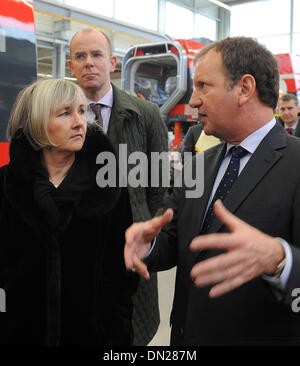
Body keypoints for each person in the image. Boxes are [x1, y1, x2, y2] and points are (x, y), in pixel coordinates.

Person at [124, 37, 300, 346]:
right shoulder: (199, 164)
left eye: (203, 85)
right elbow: (177, 237)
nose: (192, 101)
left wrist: (279, 259)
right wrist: (149, 245)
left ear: (245, 88)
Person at [0, 79, 137, 346]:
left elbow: (121, 274)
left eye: (82, 111)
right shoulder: (6, 185)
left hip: (93, 337)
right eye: (65, 113)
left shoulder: (109, 187)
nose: (79, 122)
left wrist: (115, 329)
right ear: (36, 123)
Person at [68, 28, 168, 346]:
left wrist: (149, 230)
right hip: (75, 248)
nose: (89, 63)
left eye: (96, 55)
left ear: (112, 62)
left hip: (130, 249)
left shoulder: (147, 115)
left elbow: (159, 185)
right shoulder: (54, 115)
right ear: (70, 65)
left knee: (131, 332)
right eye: (80, 56)